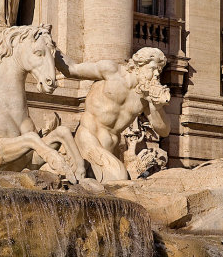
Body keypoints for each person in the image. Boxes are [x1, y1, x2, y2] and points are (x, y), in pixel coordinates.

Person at [55, 47, 171, 183]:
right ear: (140, 65)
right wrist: (50, 46)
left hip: (111, 149)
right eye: (153, 68)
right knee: (120, 177)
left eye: (159, 70)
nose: (157, 74)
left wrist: (155, 106)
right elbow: (72, 69)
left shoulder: (145, 97)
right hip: (88, 137)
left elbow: (164, 130)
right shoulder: (111, 71)